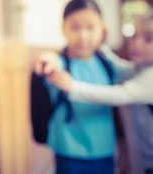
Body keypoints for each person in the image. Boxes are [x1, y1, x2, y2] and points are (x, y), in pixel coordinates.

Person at [41, 12, 153, 174]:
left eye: (148, 39)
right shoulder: (140, 68)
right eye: (134, 36)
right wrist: (100, 43)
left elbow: (120, 94)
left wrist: (73, 86)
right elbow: (118, 66)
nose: (136, 44)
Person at [32, 0, 117, 174]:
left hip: (105, 151)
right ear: (63, 29)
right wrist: (47, 59)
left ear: (102, 29)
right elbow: (50, 61)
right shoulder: (60, 64)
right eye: (75, 27)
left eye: (90, 27)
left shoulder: (109, 64)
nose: (83, 35)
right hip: (69, 152)